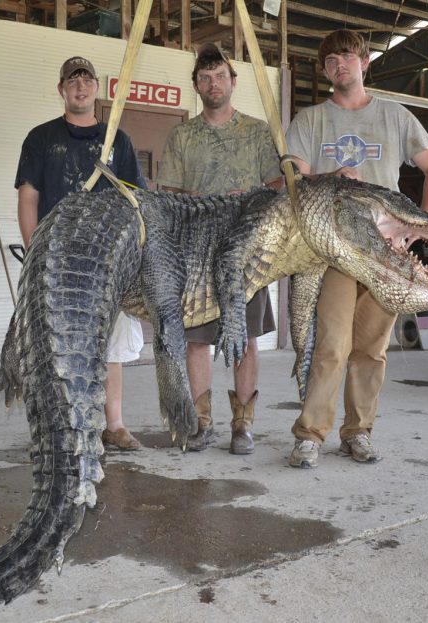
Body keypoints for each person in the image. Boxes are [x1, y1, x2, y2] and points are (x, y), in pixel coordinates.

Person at [285, 30, 428, 468]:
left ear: (365, 62)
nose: (340, 65)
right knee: (331, 345)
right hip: (334, 249)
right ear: (324, 72)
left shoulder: (395, 117)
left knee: (372, 349)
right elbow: (294, 180)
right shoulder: (310, 120)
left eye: (347, 57)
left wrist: (419, 226)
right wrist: (329, 177)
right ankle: (310, 435)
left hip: (386, 251)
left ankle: (358, 432)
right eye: (331, 61)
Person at [15, 55, 148, 451]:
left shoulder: (116, 141)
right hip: (56, 259)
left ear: (96, 89)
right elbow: (28, 198)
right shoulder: (41, 139)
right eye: (72, 81)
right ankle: (62, 426)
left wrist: (132, 255)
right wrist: (35, 251)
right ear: (62, 90)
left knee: (113, 344)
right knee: (58, 345)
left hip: (107, 261)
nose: (80, 86)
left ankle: (115, 424)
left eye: (86, 79)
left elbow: (134, 200)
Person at [157, 43, 280, 455]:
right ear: (196, 85)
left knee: (244, 339)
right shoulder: (182, 135)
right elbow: (168, 194)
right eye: (205, 78)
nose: (214, 84)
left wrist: (250, 195)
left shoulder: (259, 131)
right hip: (196, 254)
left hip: (248, 252)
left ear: (233, 80)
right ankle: (200, 421)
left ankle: (243, 424)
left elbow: (279, 186)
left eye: (220, 76)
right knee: (197, 341)